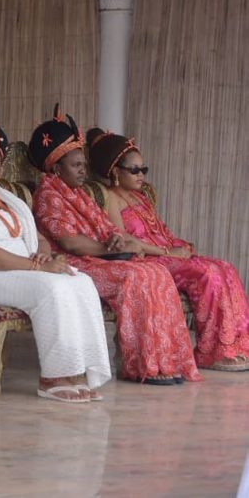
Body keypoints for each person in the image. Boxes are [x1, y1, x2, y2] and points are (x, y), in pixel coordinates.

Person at [0, 106, 111, 403]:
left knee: (81, 281)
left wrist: (44, 256)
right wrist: (35, 268)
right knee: (52, 288)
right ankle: (52, 378)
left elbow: (38, 238)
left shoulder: (6, 198)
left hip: (24, 269)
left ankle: (77, 372)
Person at [30, 105, 200, 385]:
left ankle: (166, 361)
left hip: (101, 257)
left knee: (155, 272)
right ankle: (140, 366)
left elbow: (108, 229)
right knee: (137, 275)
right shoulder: (49, 195)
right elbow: (69, 242)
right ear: (56, 168)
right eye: (75, 165)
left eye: (83, 164)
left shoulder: (80, 194)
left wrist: (116, 239)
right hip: (74, 263)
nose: (83, 170)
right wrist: (109, 250)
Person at [88, 127, 249, 371]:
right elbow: (124, 241)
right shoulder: (111, 198)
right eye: (135, 170)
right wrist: (167, 253)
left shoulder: (140, 198)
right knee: (208, 273)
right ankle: (211, 352)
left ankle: (236, 344)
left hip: (164, 254)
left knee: (224, 267)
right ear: (115, 172)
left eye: (144, 169)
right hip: (144, 259)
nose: (142, 175)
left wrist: (178, 246)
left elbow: (161, 232)